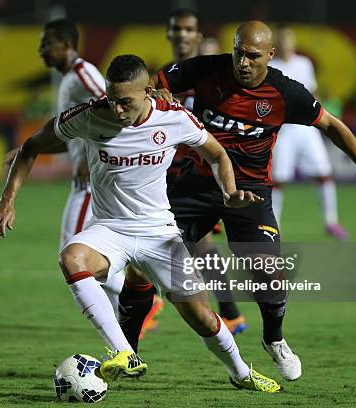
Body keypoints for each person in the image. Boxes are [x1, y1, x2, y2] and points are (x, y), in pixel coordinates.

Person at [0, 54, 282, 393]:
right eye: (112, 100)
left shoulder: (174, 119)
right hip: (111, 229)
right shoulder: (91, 115)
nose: (116, 109)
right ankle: (123, 351)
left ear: (149, 93)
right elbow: (33, 146)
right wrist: (7, 198)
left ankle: (242, 372)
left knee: (200, 316)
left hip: (160, 233)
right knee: (71, 257)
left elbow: (216, 153)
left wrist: (229, 191)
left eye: (125, 102)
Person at [122, 21, 356, 382]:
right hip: (195, 186)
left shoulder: (285, 92)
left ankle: (274, 339)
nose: (242, 62)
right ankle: (127, 352)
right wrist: (159, 94)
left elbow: (331, 125)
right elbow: (155, 82)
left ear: (270, 56)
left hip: (250, 192)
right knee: (142, 264)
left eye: (253, 56)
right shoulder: (206, 68)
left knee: (268, 272)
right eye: (238, 52)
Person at [119, 10, 246, 353]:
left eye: (188, 29)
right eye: (176, 29)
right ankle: (223, 317)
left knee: (194, 246)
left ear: (196, 34)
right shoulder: (160, 78)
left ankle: (221, 317)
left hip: (200, 174)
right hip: (163, 174)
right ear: (169, 33)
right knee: (178, 248)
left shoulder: (209, 75)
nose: (181, 35)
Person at [2, 19, 125, 313]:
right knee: (75, 256)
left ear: (66, 45)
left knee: (72, 256)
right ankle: (130, 311)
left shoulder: (83, 74)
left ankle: (135, 298)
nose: (41, 50)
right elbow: (73, 135)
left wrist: (91, 157)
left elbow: (114, 109)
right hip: (85, 181)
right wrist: (27, 150)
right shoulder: (70, 78)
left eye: (47, 43)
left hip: (91, 182)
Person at [269, 25, 349, 240]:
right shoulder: (270, 66)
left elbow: (312, 93)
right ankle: (274, 227)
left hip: (306, 128)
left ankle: (331, 222)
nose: (285, 42)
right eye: (282, 39)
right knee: (278, 179)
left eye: (288, 38)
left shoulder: (304, 64)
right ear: (276, 42)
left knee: (324, 173)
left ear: (294, 41)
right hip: (283, 130)